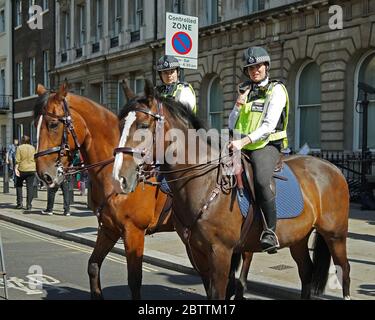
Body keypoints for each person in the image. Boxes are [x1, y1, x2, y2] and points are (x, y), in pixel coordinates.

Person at [228, 46, 289, 253]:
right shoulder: (246, 92)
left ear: (266, 66)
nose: (255, 70)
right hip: (242, 144)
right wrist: (238, 104)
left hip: (267, 145)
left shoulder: (276, 90)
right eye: (250, 68)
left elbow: (268, 126)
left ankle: (270, 231)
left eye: (258, 66)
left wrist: (242, 142)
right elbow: (231, 123)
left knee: (261, 179)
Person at [15, 135, 36, 211]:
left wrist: (16, 169)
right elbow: (35, 158)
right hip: (31, 169)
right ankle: (29, 205)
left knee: (19, 186)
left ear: (22, 140)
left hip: (22, 169)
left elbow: (17, 160)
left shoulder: (19, 148)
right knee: (30, 187)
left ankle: (19, 203)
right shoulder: (33, 148)